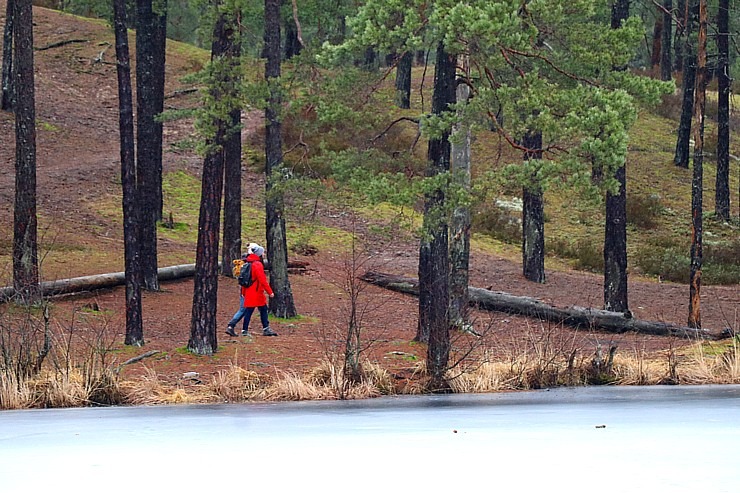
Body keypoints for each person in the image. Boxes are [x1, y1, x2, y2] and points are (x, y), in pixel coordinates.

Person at [225, 243, 278, 337]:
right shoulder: (257, 264)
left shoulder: (248, 262)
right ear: (259, 254)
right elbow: (262, 280)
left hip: (248, 291)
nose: (264, 254)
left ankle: (246, 329)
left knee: (252, 310)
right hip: (256, 292)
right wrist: (270, 292)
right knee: (257, 310)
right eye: (263, 252)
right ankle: (257, 329)